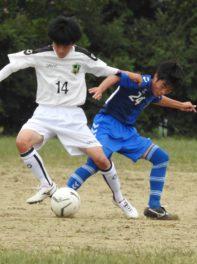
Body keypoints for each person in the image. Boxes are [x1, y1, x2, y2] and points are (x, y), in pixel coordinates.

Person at [0, 16, 141, 218]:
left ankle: (119, 198)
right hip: (45, 112)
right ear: (52, 41)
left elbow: (106, 69)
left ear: (73, 43)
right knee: (22, 142)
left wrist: (127, 73)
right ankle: (47, 184)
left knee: (101, 159)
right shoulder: (41, 54)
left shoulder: (82, 56)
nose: (60, 50)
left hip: (72, 116)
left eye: (65, 46)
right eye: (57, 45)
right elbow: (12, 66)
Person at [67, 60, 197, 220]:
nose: (163, 91)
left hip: (127, 132)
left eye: (168, 90)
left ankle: (154, 207)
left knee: (161, 158)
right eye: (162, 86)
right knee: (97, 161)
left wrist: (181, 105)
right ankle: (65, 194)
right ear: (156, 76)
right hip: (106, 125)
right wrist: (101, 88)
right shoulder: (139, 80)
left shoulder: (154, 91)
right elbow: (117, 75)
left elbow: (158, 98)